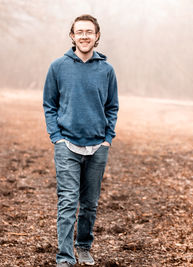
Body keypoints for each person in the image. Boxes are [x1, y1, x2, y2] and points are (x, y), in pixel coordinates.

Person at [43, 14, 119, 267]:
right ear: (72, 36)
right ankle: (65, 258)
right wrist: (57, 138)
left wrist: (108, 138)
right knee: (67, 202)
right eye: (80, 32)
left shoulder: (107, 70)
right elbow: (49, 105)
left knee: (89, 204)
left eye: (89, 32)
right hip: (67, 145)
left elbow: (112, 107)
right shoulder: (58, 67)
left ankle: (84, 247)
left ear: (97, 36)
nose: (84, 36)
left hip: (98, 146)